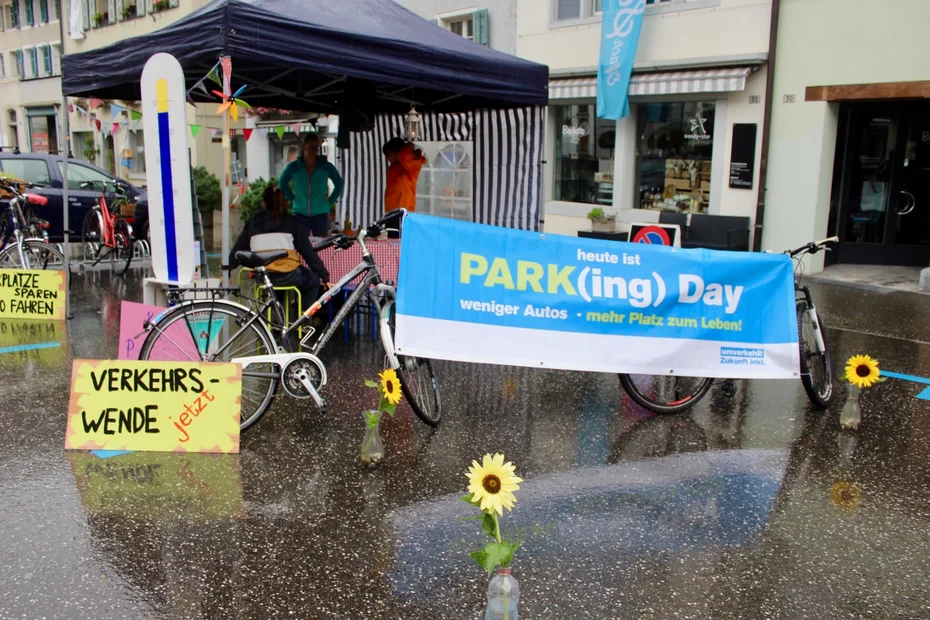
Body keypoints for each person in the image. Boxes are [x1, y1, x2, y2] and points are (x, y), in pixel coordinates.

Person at [229, 184, 329, 312]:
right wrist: (324, 277)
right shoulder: (293, 223)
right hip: (289, 275)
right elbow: (308, 253)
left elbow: (237, 250)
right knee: (313, 281)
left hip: (263, 276)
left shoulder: (253, 223)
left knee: (273, 289)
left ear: (264, 203)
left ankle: (274, 316)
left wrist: (227, 270)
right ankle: (300, 314)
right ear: (285, 202)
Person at [279, 133, 344, 237]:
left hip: (321, 215)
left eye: (316, 147)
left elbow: (339, 183)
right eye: (311, 146)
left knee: (323, 247)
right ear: (304, 146)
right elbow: (282, 183)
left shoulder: (325, 166)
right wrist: (293, 198)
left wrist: (329, 201)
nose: (314, 150)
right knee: (298, 247)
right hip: (299, 214)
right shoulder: (294, 167)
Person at [383, 137, 427, 213]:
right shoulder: (392, 168)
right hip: (391, 211)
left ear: (397, 153)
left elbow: (404, 157)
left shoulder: (411, 165)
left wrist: (408, 146)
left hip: (404, 211)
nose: (387, 158)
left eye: (388, 154)